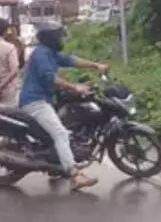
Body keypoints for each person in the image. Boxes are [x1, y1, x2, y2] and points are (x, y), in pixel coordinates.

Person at [19, 23, 110, 192]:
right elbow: (50, 78)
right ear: (51, 38)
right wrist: (74, 87)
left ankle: (56, 167)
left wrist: (96, 65)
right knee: (60, 134)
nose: (61, 39)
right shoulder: (41, 54)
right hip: (35, 102)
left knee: (63, 127)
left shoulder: (50, 53)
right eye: (59, 36)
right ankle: (74, 175)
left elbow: (71, 60)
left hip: (43, 100)